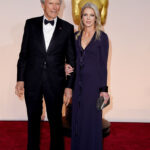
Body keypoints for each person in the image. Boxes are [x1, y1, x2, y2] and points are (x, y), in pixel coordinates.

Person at [15, 0, 75, 149]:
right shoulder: (30, 24)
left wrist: (69, 87)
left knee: (55, 121)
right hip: (32, 80)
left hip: (55, 81)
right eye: (51, 3)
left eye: (57, 4)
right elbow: (24, 55)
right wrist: (20, 79)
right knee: (33, 120)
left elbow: (72, 60)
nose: (55, 7)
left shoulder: (67, 28)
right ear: (43, 5)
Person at [65, 2, 110, 150]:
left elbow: (103, 66)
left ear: (96, 17)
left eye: (92, 15)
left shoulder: (102, 38)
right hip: (78, 84)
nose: (88, 18)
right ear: (81, 17)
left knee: (91, 121)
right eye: (85, 15)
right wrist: (65, 67)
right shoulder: (75, 36)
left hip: (93, 86)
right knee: (77, 120)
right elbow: (70, 59)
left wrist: (104, 90)